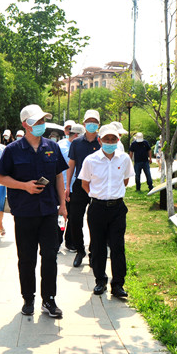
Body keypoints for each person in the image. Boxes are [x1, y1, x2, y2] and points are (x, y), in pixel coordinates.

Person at [0, 104, 67, 318]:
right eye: (37, 121)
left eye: (43, 120)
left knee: (50, 256)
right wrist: (24, 186)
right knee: (26, 258)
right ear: (25, 124)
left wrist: (63, 205)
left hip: (48, 211)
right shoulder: (12, 150)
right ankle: (28, 298)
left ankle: (49, 299)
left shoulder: (52, 147)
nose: (41, 124)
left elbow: (59, 176)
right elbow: (0, 177)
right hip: (24, 212)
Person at [79, 124, 134, 298]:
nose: (110, 142)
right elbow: (85, 184)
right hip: (97, 208)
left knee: (118, 247)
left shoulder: (124, 159)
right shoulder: (90, 160)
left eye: (113, 139)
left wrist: (113, 194)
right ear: (99, 140)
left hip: (117, 208)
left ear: (118, 140)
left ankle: (117, 284)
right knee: (98, 246)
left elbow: (125, 180)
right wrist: (99, 195)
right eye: (106, 139)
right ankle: (100, 280)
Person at [65, 109, 101, 268]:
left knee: (95, 221)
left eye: (94, 122)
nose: (91, 124)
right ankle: (80, 250)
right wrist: (67, 186)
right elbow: (71, 164)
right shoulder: (77, 143)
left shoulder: (102, 142)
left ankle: (94, 252)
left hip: (97, 185)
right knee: (75, 219)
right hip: (79, 185)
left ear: (98, 124)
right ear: (84, 123)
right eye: (89, 121)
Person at [56, 120, 77, 252]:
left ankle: (70, 242)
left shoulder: (80, 145)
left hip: (76, 186)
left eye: (72, 128)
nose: (70, 130)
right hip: (62, 185)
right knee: (61, 215)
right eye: (68, 128)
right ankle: (57, 241)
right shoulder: (60, 145)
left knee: (73, 216)